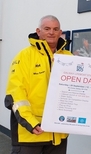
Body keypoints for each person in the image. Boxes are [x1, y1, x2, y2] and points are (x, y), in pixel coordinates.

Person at [4, 15, 72, 154]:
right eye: (47, 28)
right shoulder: (24, 56)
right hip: (31, 134)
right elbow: (16, 93)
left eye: (55, 29)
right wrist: (30, 123)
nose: (51, 32)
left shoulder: (69, 58)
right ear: (38, 31)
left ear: (60, 32)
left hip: (57, 135)